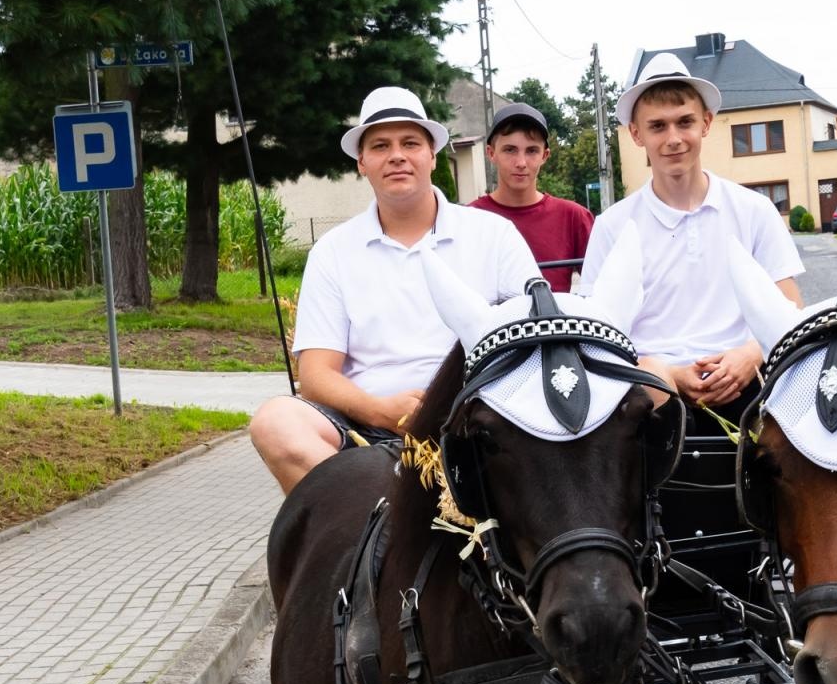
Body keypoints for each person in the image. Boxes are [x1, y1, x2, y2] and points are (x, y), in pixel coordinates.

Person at [249, 86, 538, 493]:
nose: (397, 155)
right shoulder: (333, 252)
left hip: (481, 425)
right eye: (380, 145)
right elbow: (315, 375)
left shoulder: (494, 235)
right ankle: (375, 521)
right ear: (362, 163)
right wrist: (383, 411)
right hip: (369, 435)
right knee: (275, 423)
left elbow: (536, 338)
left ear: (432, 156)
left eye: (410, 143)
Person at [579, 53, 803, 423]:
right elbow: (597, 334)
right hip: (649, 396)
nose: (674, 139)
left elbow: (790, 307)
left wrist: (751, 354)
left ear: (706, 123)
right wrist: (668, 375)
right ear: (636, 134)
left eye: (685, 122)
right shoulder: (614, 226)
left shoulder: (753, 210)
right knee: (649, 382)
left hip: (748, 382)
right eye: (658, 126)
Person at [467, 102, 593, 292]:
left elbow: (601, 291)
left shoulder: (574, 217)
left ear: (545, 155)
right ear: (491, 153)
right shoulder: (468, 219)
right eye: (510, 150)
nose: (521, 162)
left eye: (532, 150)